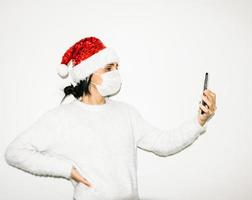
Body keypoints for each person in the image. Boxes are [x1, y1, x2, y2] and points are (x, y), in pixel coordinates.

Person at [4, 36, 217, 200]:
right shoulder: (61, 118)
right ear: (88, 74)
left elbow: (163, 144)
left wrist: (199, 121)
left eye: (116, 68)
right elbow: (15, 152)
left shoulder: (126, 113)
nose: (115, 74)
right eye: (108, 68)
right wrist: (67, 170)